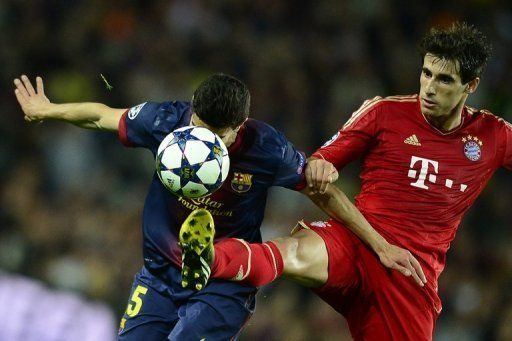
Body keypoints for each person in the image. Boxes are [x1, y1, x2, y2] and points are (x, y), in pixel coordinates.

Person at [13, 73, 420, 340]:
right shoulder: (166, 121)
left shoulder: (267, 148)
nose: (198, 146)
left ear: (239, 127)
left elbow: (323, 193)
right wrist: (48, 110)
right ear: (192, 107)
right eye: (197, 126)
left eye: (216, 137)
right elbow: (103, 116)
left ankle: (206, 255)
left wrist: (379, 243)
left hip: (223, 285)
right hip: (157, 277)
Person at [180, 22, 511, 340]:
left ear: (471, 85)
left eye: (445, 80)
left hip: (409, 273)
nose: (430, 87)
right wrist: (323, 165)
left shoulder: (493, 135)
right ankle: (207, 258)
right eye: (426, 73)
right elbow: (322, 159)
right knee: (292, 251)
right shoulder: (384, 112)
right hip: (356, 239)